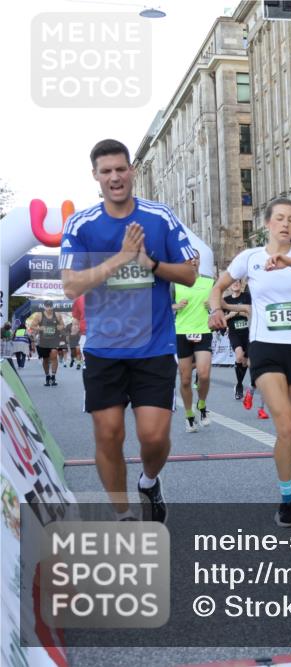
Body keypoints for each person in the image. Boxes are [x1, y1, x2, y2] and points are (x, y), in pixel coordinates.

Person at [60, 138, 197, 522]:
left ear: (131, 171)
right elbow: (71, 286)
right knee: (108, 435)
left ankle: (149, 481)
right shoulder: (82, 224)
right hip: (104, 349)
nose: (115, 177)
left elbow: (189, 273)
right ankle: (123, 515)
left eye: (121, 169)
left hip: (153, 346)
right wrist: (120, 259)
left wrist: (149, 263)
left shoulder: (159, 217)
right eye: (106, 171)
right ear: (95, 176)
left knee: (153, 437)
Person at [209, 197, 291, 527]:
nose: (285, 224)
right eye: (279, 218)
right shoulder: (250, 258)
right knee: (284, 425)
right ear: (267, 224)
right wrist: (215, 309)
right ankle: (286, 502)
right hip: (266, 348)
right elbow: (219, 287)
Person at [172, 251, 215, 432]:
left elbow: (218, 302)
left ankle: (202, 405)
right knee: (185, 380)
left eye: (197, 258)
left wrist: (213, 306)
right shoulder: (174, 283)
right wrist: (175, 306)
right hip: (182, 332)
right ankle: (189, 416)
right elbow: (162, 305)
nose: (194, 261)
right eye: (190, 258)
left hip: (203, 331)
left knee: (204, 374)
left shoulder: (209, 281)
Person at [223, 279, 252, 400]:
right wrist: (233, 314)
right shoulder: (226, 301)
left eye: (238, 282)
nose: (235, 284)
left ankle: (239, 383)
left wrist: (239, 312)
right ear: (229, 286)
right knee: (239, 356)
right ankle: (239, 385)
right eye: (233, 282)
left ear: (241, 285)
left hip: (248, 332)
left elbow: (250, 313)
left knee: (245, 362)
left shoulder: (247, 296)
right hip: (234, 332)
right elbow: (223, 317)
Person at [31, 301, 64, 386]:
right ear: (44, 307)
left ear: (52, 306)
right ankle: (47, 376)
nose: (49, 308)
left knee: (54, 356)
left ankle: (53, 377)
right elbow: (32, 326)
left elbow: (62, 325)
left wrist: (58, 327)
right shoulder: (39, 315)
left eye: (50, 306)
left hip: (54, 340)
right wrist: (40, 328)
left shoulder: (57, 315)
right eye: (47, 306)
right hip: (43, 341)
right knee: (45, 360)